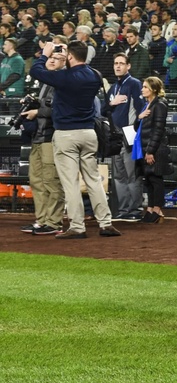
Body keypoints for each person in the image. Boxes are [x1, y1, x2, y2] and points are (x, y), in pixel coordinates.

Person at [29, 40, 121, 239]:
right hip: (88, 133)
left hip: (66, 134)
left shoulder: (64, 77)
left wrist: (45, 54)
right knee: (94, 180)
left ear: (70, 57)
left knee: (70, 183)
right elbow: (77, 70)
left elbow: (36, 72)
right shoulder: (95, 75)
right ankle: (106, 223)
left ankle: (77, 226)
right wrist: (66, 55)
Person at [20, 46, 66, 235]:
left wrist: (37, 111)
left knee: (51, 181)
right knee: (36, 181)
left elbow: (61, 110)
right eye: (50, 58)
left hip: (51, 137)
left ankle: (54, 222)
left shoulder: (63, 81)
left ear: (64, 61)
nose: (52, 60)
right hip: (38, 136)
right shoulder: (46, 82)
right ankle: (41, 220)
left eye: (57, 58)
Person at [106, 52, 146, 222]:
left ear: (128, 66)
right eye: (116, 63)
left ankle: (135, 210)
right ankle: (123, 210)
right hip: (114, 135)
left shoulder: (134, 84)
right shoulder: (113, 87)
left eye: (121, 63)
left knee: (132, 174)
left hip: (129, 135)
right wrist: (111, 103)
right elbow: (103, 110)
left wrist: (135, 134)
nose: (118, 66)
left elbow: (141, 110)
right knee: (118, 176)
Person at [132, 76, 171, 224]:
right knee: (148, 179)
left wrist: (150, 151)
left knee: (155, 179)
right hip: (143, 147)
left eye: (145, 87)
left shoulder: (159, 105)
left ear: (154, 89)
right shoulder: (146, 105)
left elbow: (158, 130)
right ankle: (149, 209)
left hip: (154, 149)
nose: (142, 89)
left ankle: (157, 209)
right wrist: (139, 117)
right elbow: (138, 128)